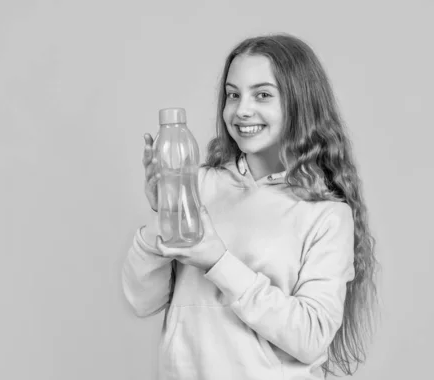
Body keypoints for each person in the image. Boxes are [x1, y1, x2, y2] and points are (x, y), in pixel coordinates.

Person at [122, 33, 378, 380]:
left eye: (262, 95)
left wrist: (218, 263)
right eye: (233, 95)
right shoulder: (199, 186)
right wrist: (163, 214)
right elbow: (142, 301)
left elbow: (311, 337)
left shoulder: (326, 215)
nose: (242, 110)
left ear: (300, 103)